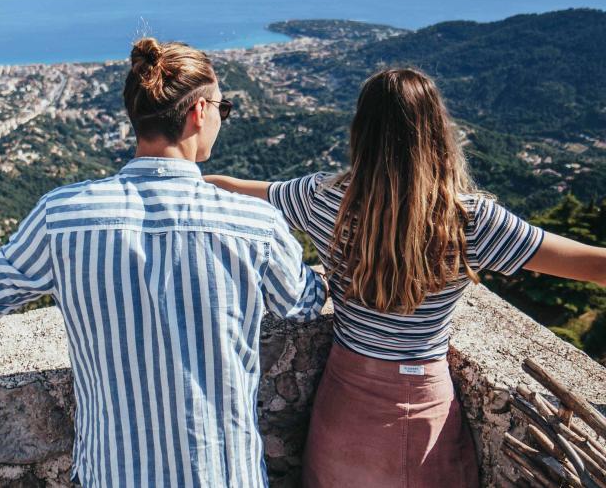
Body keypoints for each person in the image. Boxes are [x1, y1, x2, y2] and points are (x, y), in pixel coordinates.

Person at [206, 67, 606, 488]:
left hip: (339, 407)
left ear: (360, 131)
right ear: (437, 131)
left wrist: (183, 185)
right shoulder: (470, 221)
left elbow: (236, 189)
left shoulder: (322, 199)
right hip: (421, 414)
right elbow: (595, 266)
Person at [0, 38, 328, 488]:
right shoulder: (254, 223)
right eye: (223, 107)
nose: (221, 117)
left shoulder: (62, 217)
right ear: (199, 111)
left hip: (114, 473)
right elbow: (305, 303)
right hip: (223, 473)